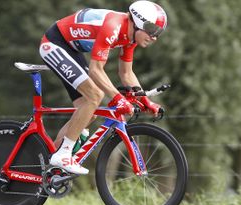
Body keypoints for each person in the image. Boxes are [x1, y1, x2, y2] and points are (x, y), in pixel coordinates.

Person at [39, 0, 167, 174]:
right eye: (152, 30)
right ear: (137, 22)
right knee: (94, 96)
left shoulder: (130, 38)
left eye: (158, 33)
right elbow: (96, 70)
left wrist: (146, 101)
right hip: (54, 43)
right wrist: (117, 98)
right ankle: (63, 154)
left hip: (71, 49)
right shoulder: (114, 26)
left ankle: (48, 165)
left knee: (88, 112)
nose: (154, 37)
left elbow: (127, 74)